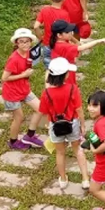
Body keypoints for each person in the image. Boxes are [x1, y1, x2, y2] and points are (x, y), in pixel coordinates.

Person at [40, 57, 90, 189]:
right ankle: (85, 179)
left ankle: (63, 179)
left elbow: (45, 111)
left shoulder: (46, 93)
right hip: (72, 123)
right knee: (77, 149)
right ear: (66, 75)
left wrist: (48, 123)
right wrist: (83, 125)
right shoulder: (73, 89)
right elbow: (79, 109)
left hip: (55, 125)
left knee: (60, 152)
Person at [1, 28, 45, 149]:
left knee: (40, 108)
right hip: (12, 93)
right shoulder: (13, 59)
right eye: (21, 42)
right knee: (19, 118)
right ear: (16, 43)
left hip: (24, 89)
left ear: (31, 42)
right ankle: (13, 142)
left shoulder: (27, 53)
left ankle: (29, 135)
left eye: (27, 41)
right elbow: (4, 78)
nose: (25, 44)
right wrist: (23, 75)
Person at [49, 19, 105, 85]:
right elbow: (82, 48)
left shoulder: (56, 42)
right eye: (67, 32)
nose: (71, 33)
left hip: (63, 72)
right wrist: (99, 41)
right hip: (66, 74)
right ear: (59, 35)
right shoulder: (64, 46)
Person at [34, 0, 70, 69]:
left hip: (47, 44)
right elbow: (68, 33)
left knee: (49, 70)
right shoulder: (65, 14)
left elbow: (36, 27)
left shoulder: (44, 10)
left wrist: (41, 39)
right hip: (61, 46)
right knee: (61, 70)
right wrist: (75, 42)